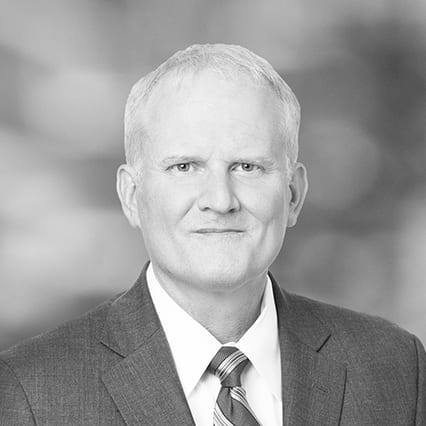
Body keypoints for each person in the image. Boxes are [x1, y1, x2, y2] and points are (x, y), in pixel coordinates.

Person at [0, 44, 424, 426]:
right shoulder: (32, 392)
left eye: (247, 166)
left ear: (293, 194)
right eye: (185, 167)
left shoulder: (397, 369)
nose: (220, 200)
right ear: (131, 196)